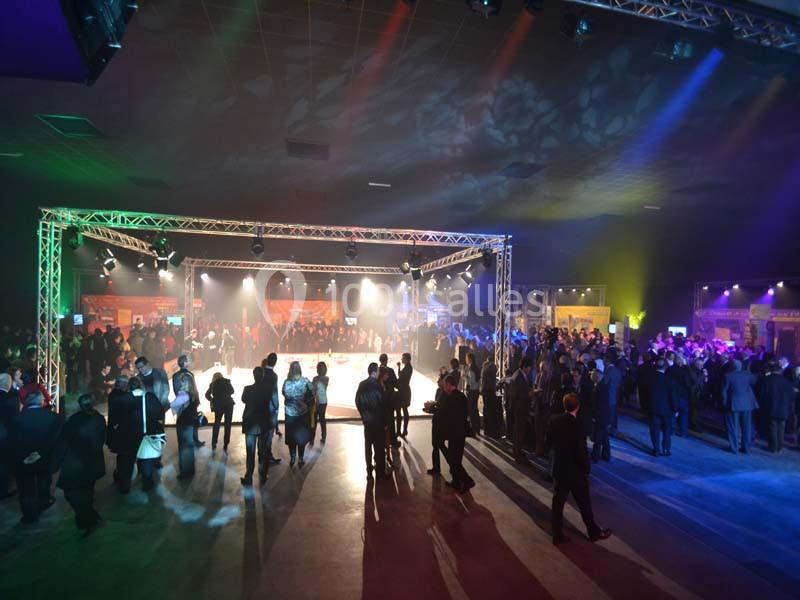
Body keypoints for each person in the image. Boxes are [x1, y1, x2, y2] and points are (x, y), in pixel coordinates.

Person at [546, 392, 612, 546]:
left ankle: (557, 535)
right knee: (584, 504)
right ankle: (594, 532)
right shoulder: (579, 426)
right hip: (575, 472)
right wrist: (586, 468)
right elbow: (581, 451)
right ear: (578, 407)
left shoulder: (554, 420)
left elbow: (548, 442)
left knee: (558, 504)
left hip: (560, 469)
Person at [52, 394, 106, 535]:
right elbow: (102, 439)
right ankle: (90, 517)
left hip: (76, 463)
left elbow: (63, 442)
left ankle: (86, 520)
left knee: (73, 494)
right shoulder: (99, 419)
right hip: (93, 462)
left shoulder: (74, 421)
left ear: (79, 405)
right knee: (88, 491)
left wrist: (55, 463)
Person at [8, 392, 61, 524]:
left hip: (24, 459)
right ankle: (44, 502)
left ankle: (29, 515)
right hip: (45, 457)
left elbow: (12, 441)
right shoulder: (53, 417)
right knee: (44, 481)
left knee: (26, 488)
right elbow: (58, 440)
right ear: (41, 402)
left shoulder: (16, 419)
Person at [437, 374, 474, 492]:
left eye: (445, 385)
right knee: (455, 459)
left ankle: (467, 481)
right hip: (459, 432)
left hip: (455, 432)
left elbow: (446, 413)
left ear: (448, 385)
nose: (444, 387)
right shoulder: (461, 396)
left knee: (455, 460)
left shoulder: (451, 398)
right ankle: (457, 482)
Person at [355, 363, 387, 481]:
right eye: (378, 370)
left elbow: (357, 401)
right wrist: (384, 423)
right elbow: (383, 406)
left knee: (368, 447)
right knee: (379, 448)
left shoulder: (362, 385)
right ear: (374, 372)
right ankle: (380, 473)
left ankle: (369, 472)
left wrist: (364, 415)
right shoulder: (378, 386)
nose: (379, 372)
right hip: (377, 422)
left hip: (367, 422)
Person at [241, 367, 271, 486]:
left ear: (254, 376)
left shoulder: (247, 389)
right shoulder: (267, 390)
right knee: (262, 451)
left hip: (250, 423)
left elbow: (243, 400)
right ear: (263, 376)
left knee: (250, 452)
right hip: (263, 423)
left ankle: (249, 476)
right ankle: (263, 475)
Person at [722, 359, 758, 455]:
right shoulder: (747, 375)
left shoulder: (728, 376)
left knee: (733, 427)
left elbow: (724, 391)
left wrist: (724, 403)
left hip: (733, 404)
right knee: (747, 427)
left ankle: (734, 448)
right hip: (747, 404)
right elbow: (755, 381)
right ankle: (746, 448)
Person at [282, 361, 313, 467]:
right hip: (302, 413)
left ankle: (292, 457)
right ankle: (300, 458)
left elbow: (284, 394)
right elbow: (313, 391)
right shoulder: (305, 381)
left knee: (291, 438)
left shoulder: (286, 382)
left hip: (290, 414)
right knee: (301, 437)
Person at [760, 361, 795, 453]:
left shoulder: (767, 380)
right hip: (784, 408)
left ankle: (773, 447)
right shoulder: (787, 382)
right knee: (781, 428)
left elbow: (762, 395)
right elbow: (792, 396)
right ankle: (779, 446)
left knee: (772, 427)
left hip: (771, 407)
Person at [172, 371, 199, 479]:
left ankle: (185, 472)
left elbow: (173, 405)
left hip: (183, 423)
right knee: (189, 447)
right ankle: (191, 470)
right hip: (190, 422)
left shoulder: (183, 394)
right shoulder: (194, 393)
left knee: (183, 448)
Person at [648, 359, 678, 457]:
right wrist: (675, 409)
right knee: (666, 430)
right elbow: (673, 396)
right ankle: (666, 449)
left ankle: (656, 449)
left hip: (653, 408)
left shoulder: (650, 378)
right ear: (665, 367)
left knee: (655, 429)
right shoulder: (669, 380)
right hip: (667, 409)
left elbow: (644, 394)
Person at [509, 356, 534, 463]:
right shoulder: (519, 376)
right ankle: (518, 454)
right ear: (525, 367)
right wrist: (531, 394)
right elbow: (520, 394)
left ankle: (517, 451)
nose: (530, 370)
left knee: (518, 430)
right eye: (529, 368)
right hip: (520, 407)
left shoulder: (517, 374)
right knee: (519, 430)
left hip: (519, 407)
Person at [426, 367, 449, 476]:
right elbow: (437, 405)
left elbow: (441, 407)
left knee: (439, 445)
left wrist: (432, 407)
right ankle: (436, 468)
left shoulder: (445, 393)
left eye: (439, 380)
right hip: (437, 420)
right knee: (436, 445)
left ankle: (451, 465)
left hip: (441, 422)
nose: (437, 381)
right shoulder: (439, 391)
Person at [0, 373, 19, 498]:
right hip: (4, 435)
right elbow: (14, 419)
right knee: (4, 464)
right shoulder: (10, 399)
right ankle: (3, 491)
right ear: (8, 383)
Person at [206, 372, 234, 452]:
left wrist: (212, 399)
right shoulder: (227, 381)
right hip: (229, 404)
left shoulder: (213, 384)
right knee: (227, 424)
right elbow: (232, 391)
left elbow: (207, 395)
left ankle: (214, 442)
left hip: (218, 405)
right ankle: (226, 443)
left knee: (217, 423)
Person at [261, 353, 282, 464]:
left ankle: (262, 455)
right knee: (269, 434)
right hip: (270, 408)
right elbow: (274, 393)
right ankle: (268, 456)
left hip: (260, 406)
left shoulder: (261, 372)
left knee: (262, 433)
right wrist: (277, 406)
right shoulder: (273, 375)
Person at [378, 354, 400, 447]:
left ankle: (382, 441)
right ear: (386, 360)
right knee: (391, 421)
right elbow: (396, 385)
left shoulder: (378, 371)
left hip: (381, 401)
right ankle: (393, 441)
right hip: (390, 400)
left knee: (382, 422)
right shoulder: (390, 371)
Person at [590, 368, 611, 462]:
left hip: (600, 416)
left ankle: (595, 457)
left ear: (597, 376)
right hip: (603, 416)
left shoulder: (601, 387)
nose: (591, 376)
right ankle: (606, 455)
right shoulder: (601, 385)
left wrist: (595, 416)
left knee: (598, 437)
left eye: (593, 375)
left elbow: (600, 405)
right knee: (604, 436)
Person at [480, 354, 501, 437]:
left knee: (486, 409)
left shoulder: (484, 367)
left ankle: (487, 430)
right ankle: (491, 431)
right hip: (489, 391)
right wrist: (495, 387)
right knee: (490, 411)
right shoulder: (492, 366)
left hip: (485, 391)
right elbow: (491, 381)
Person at [463, 352, 481, 437]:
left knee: (472, 410)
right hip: (475, 391)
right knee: (474, 410)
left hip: (473, 391)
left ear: (470, 359)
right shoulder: (474, 368)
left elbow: (472, 382)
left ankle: (474, 429)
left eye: (466, 358)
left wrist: (465, 377)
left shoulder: (472, 369)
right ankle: (476, 428)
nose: (465, 360)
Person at [312, 362, 329, 444]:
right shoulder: (326, 378)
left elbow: (313, 389)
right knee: (322, 419)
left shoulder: (316, 379)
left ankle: (312, 439)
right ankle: (324, 436)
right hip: (323, 401)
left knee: (314, 420)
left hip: (317, 402)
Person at [396, 353, 413, 438]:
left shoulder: (408, 368)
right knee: (403, 410)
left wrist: (398, 368)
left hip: (404, 392)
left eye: (402, 358)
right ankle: (401, 430)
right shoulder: (407, 367)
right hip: (404, 390)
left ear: (406, 359)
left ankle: (404, 430)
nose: (401, 360)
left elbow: (401, 377)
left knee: (404, 410)